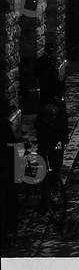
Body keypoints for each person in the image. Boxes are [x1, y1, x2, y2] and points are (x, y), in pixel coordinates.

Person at [34, 84, 68, 210]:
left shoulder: (50, 108)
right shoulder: (58, 108)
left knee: (48, 170)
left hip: (50, 143)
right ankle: (48, 196)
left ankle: (46, 198)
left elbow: (37, 125)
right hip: (53, 143)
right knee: (51, 169)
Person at [0, 101, 18, 242]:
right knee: (10, 199)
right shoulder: (5, 125)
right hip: (6, 169)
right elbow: (14, 148)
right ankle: (11, 229)